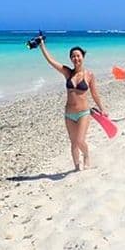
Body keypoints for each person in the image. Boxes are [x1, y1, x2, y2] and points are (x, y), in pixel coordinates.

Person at [35, 36, 107, 171]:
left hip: (83, 113)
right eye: (73, 56)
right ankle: (76, 167)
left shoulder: (89, 75)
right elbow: (51, 61)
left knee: (80, 141)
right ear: (71, 59)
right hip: (69, 114)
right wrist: (42, 45)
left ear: (83, 57)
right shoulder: (67, 72)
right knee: (73, 143)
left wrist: (102, 109)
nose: (76, 59)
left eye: (78, 56)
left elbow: (95, 94)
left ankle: (86, 156)